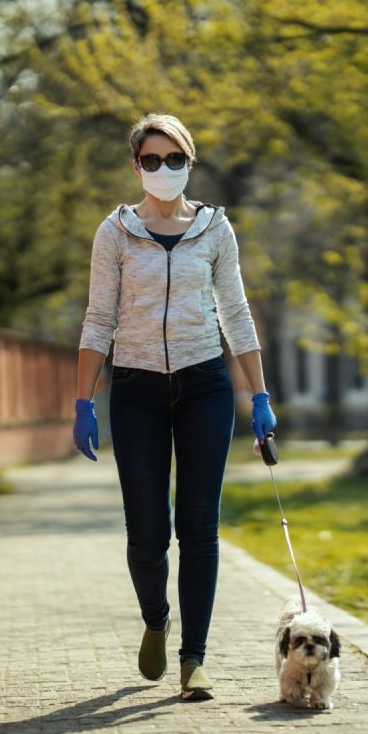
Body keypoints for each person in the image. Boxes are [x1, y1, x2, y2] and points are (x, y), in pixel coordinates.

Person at [73, 113, 276, 701]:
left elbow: (235, 312)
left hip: (204, 384)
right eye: (152, 160)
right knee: (146, 532)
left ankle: (195, 660)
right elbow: (98, 317)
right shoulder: (115, 231)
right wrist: (83, 402)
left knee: (199, 527)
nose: (164, 170)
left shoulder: (215, 229)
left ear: (190, 162)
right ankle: (157, 619)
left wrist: (258, 393)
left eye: (174, 159)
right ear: (137, 165)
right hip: (135, 390)